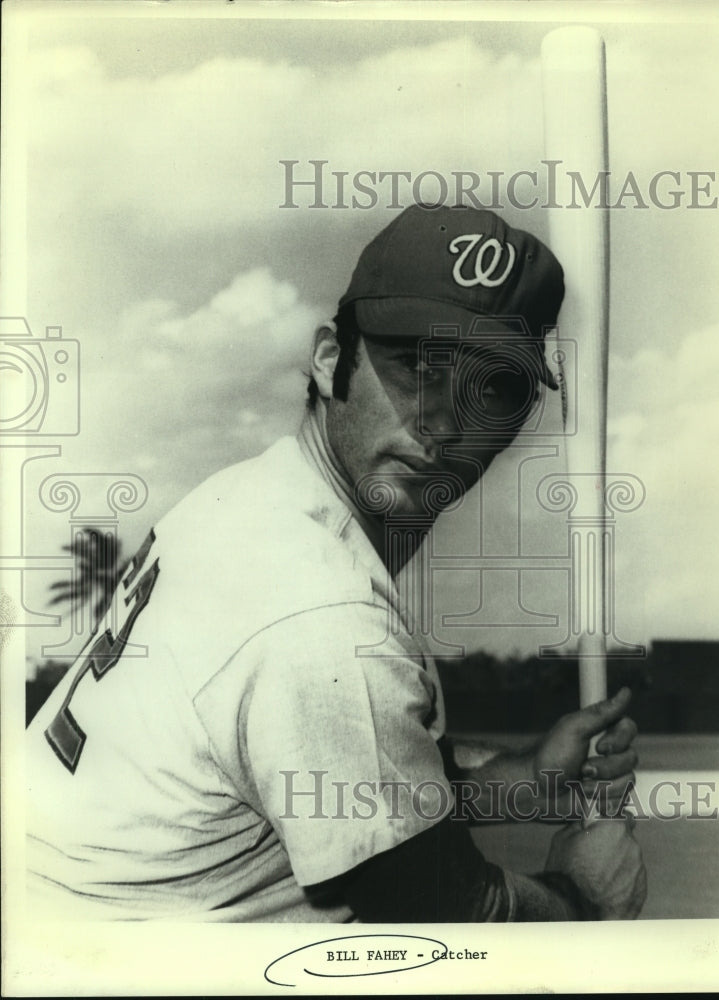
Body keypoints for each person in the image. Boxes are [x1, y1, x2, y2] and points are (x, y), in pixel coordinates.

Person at [26, 204, 646, 922]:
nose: (446, 424)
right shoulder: (319, 611)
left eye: (495, 390)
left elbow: (306, 770)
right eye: (418, 367)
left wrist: (519, 781)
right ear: (330, 360)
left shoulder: (249, 497)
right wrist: (587, 901)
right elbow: (432, 912)